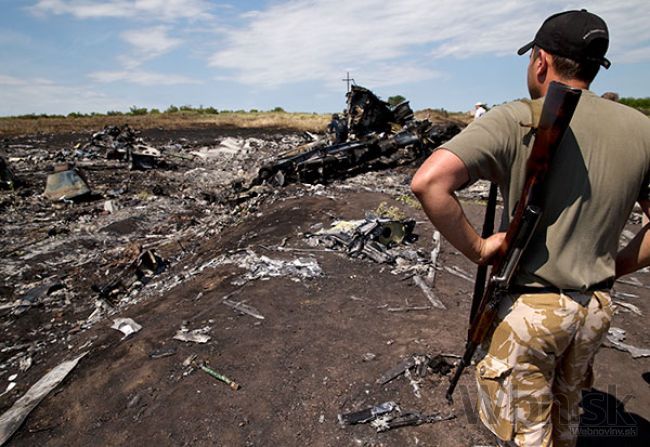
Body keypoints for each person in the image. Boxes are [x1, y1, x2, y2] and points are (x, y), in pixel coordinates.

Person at [411, 9, 650, 447]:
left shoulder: (516, 117)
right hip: (594, 310)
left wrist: (479, 249)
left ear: (540, 60)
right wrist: (613, 266)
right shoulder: (643, 129)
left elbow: (428, 182)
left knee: (526, 436)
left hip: (531, 311)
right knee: (566, 422)